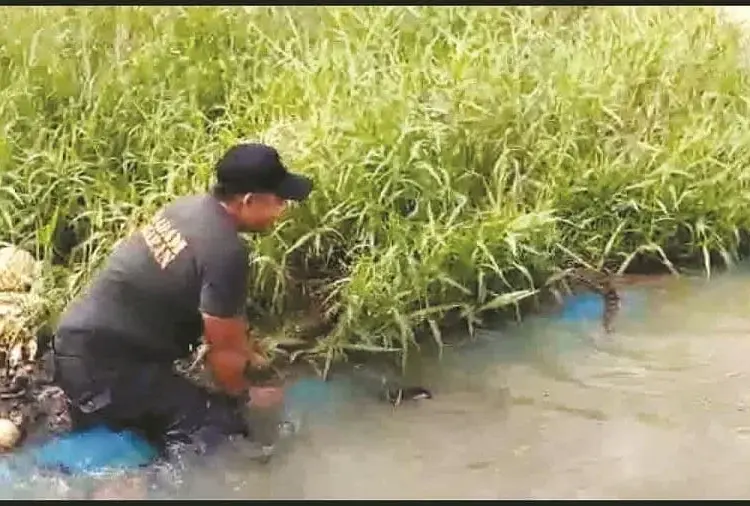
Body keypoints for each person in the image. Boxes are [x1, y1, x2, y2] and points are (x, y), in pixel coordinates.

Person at [50, 142, 313, 459]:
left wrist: (249, 353)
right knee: (219, 426)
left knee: (182, 401)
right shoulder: (226, 252)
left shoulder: (189, 208)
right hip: (103, 371)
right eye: (279, 200)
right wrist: (246, 397)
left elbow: (223, 325)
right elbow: (224, 354)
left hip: (77, 343)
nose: (283, 209)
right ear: (249, 200)